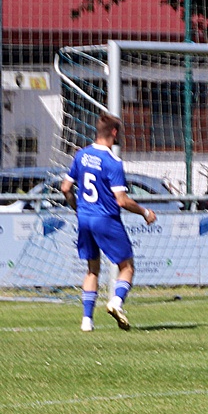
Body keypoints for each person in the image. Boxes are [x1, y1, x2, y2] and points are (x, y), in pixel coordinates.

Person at [61, 113, 157, 332]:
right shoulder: (113, 162)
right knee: (127, 266)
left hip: (84, 218)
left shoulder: (81, 155)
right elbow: (122, 201)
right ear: (114, 133)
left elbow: (65, 187)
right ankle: (116, 302)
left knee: (92, 270)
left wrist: (77, 208)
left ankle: (87, 321)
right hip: (105, 219)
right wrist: (144, 212)